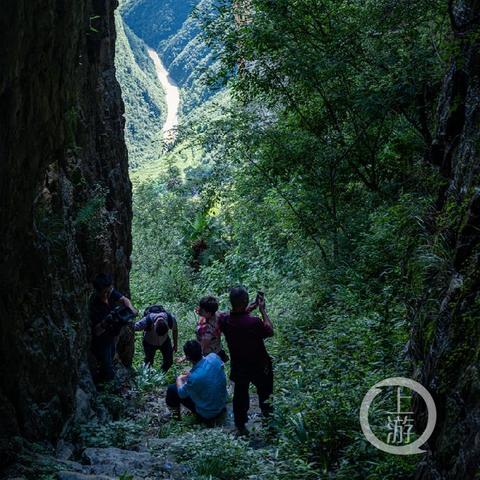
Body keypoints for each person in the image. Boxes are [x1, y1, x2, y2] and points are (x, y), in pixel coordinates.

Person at [219, 286, 274, 434]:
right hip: (259, 364)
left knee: (240, 394)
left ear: (231, 302)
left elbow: (236, 317)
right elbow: (270, 330)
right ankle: (270, 424)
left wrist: (249, 308)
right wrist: (262, 310)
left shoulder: (224, 320)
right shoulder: (254, 322)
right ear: (245, 300)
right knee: (265, 394)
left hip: (239, 365)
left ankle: (240, 425)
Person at [90, 273, 137, 383]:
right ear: (98, 291)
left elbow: (124, 299)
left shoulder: (110, 292)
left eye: (108, 291)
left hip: (112, 335)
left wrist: (131, 309)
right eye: (104, 292)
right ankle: (107, 386)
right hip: (102, 339)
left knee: (110, 356)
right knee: (106, 364)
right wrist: (106, 322)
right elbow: (96, 332)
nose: (107, 295)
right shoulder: (95, 305)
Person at [166, 340, 227, 424]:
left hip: (208, 414)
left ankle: (176, 419)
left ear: (187, 358)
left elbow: (181, 394)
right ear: (201, 350)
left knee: (172, 389)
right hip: (222, 405)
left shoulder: (194, 378)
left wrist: (179, 379)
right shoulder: (214, 357)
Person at [134, 306, 178, 372]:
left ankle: (161, 374)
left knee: (169, 361)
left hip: (165, 341)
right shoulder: (146, 320)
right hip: (149, 343)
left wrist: (175, 344)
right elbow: (134, 327)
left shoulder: (170, 319)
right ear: (154, 324)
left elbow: (175, 330)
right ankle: (148, 376)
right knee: (148, 362)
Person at [195, 296, 228, 362]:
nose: (199, 310)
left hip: (209, 355)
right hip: (216, 349)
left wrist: (189, 356)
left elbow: (203, 346)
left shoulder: (208, 329)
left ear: (208, 313)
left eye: (202, 310)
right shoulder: (218, 314)